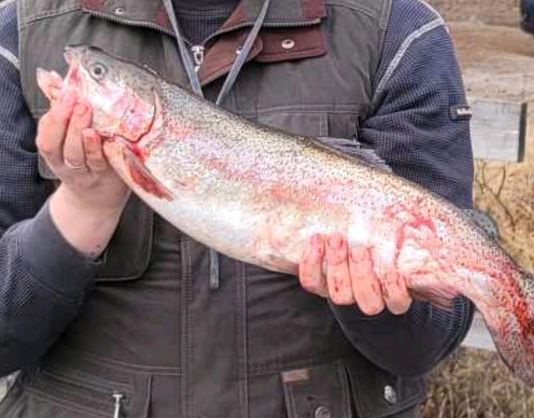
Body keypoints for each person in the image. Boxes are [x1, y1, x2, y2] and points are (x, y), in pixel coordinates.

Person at [0, 0, 475, 417]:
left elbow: (429, 342)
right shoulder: (21, 34)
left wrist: (371, 296)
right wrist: (83, 207)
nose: (88, 74)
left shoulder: (397, 32)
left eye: (101, 75)